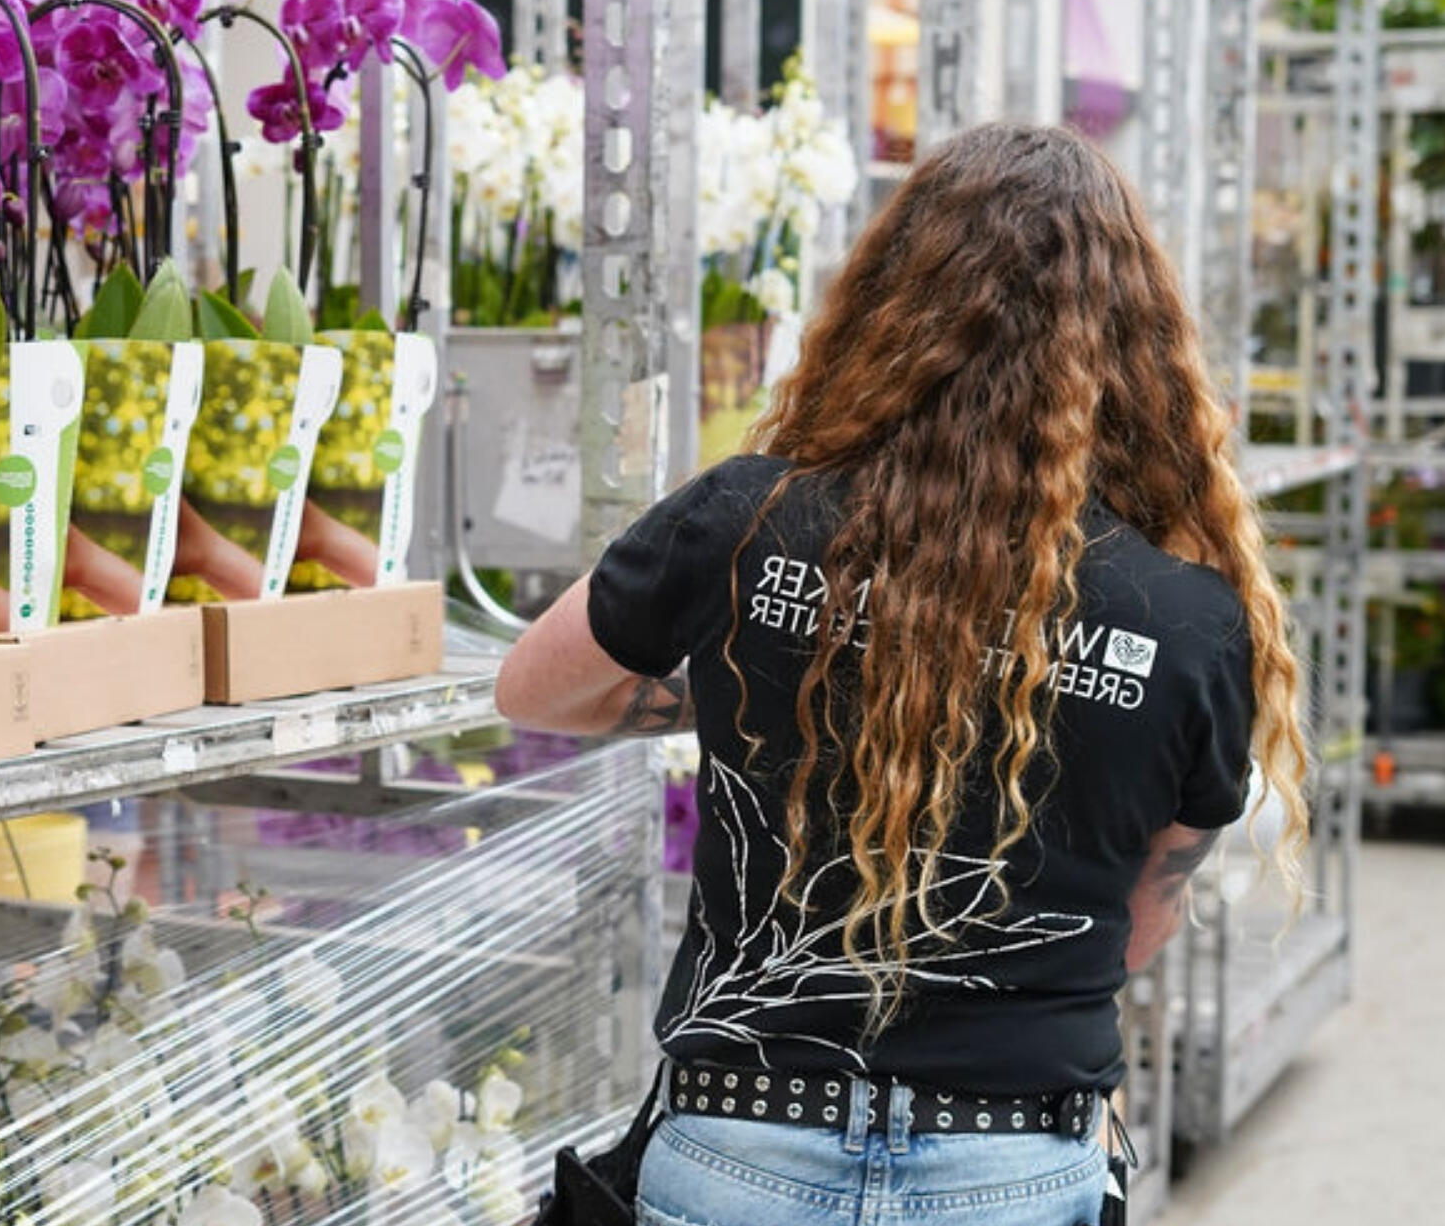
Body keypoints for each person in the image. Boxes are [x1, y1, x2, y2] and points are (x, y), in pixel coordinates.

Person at [496, 123, 1306, 1226]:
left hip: (742, 1138)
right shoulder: (1189, 619)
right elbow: (1135, 920)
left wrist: (751, 673)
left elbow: (532, 690)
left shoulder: (746, 520)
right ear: (1133, 345)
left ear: (888, 302)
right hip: (1011, 1163)